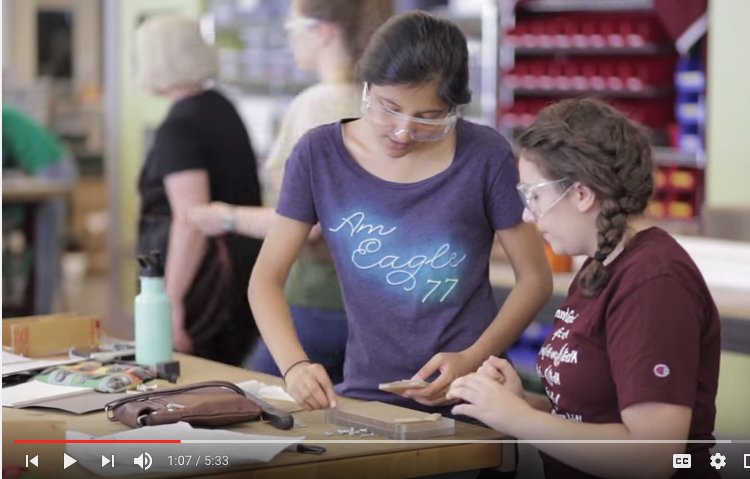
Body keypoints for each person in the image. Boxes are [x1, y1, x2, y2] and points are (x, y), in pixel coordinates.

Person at [248, 11, 552, 413]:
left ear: (454, 107)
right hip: (368, 396)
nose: (403, 132)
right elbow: (265, 279)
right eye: (388, 108)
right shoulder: (318, 155)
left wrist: (473, 357)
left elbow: (535, 279)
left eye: (428, 118)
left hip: (474, 396)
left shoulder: (485, 156)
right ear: (366, 85)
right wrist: (295, 366)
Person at [447, 98, 721, 479]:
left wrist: (517, 417)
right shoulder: (600, 265)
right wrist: (519, 403)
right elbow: (589, 417)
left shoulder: (654, 283)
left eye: (534, 196)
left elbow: (652, 456)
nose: (527, 214)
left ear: (581, 194)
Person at [189, 0, 392, 384]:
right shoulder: (386, 105)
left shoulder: (316, 105)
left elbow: (308, 223)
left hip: (320, 300)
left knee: (256, 400)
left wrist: (224, 216)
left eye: (292, 29)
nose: (289, 40)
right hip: (380, 305)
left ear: (323, 30)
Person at [134, 14, 262, 366]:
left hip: (202, 283)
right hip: (241, 274)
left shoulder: (178, 127)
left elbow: (190, 220)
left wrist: (170, 301)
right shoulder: (221, 107)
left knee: (190, 381)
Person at [2, 103, 78, 314]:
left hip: (53, 170)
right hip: (49, 168)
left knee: (46, 247)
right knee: (42, 245)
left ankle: (41, 313)